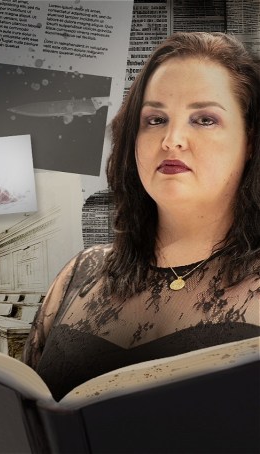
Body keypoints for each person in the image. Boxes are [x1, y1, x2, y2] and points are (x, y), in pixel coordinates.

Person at [23, 32, 260, 401]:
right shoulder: (79, 275)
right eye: (155, 119)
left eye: (204, 119)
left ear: (250, 142)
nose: (172, 139)